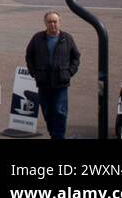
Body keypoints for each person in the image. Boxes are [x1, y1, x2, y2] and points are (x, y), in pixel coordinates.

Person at [24, 11, 81, 139]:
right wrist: (34, 72)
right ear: (45, 23)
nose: (53, 24)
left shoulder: (67, 38)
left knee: (60, 111)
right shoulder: (37, 38)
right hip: (43, 83)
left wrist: (69, 72)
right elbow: (29, 55)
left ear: (59, 23)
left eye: (55, 21)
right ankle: (53, 133)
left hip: (61, 83)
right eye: (50, 22)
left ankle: (58, 136)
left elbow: (76, 57)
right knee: (48, 111)